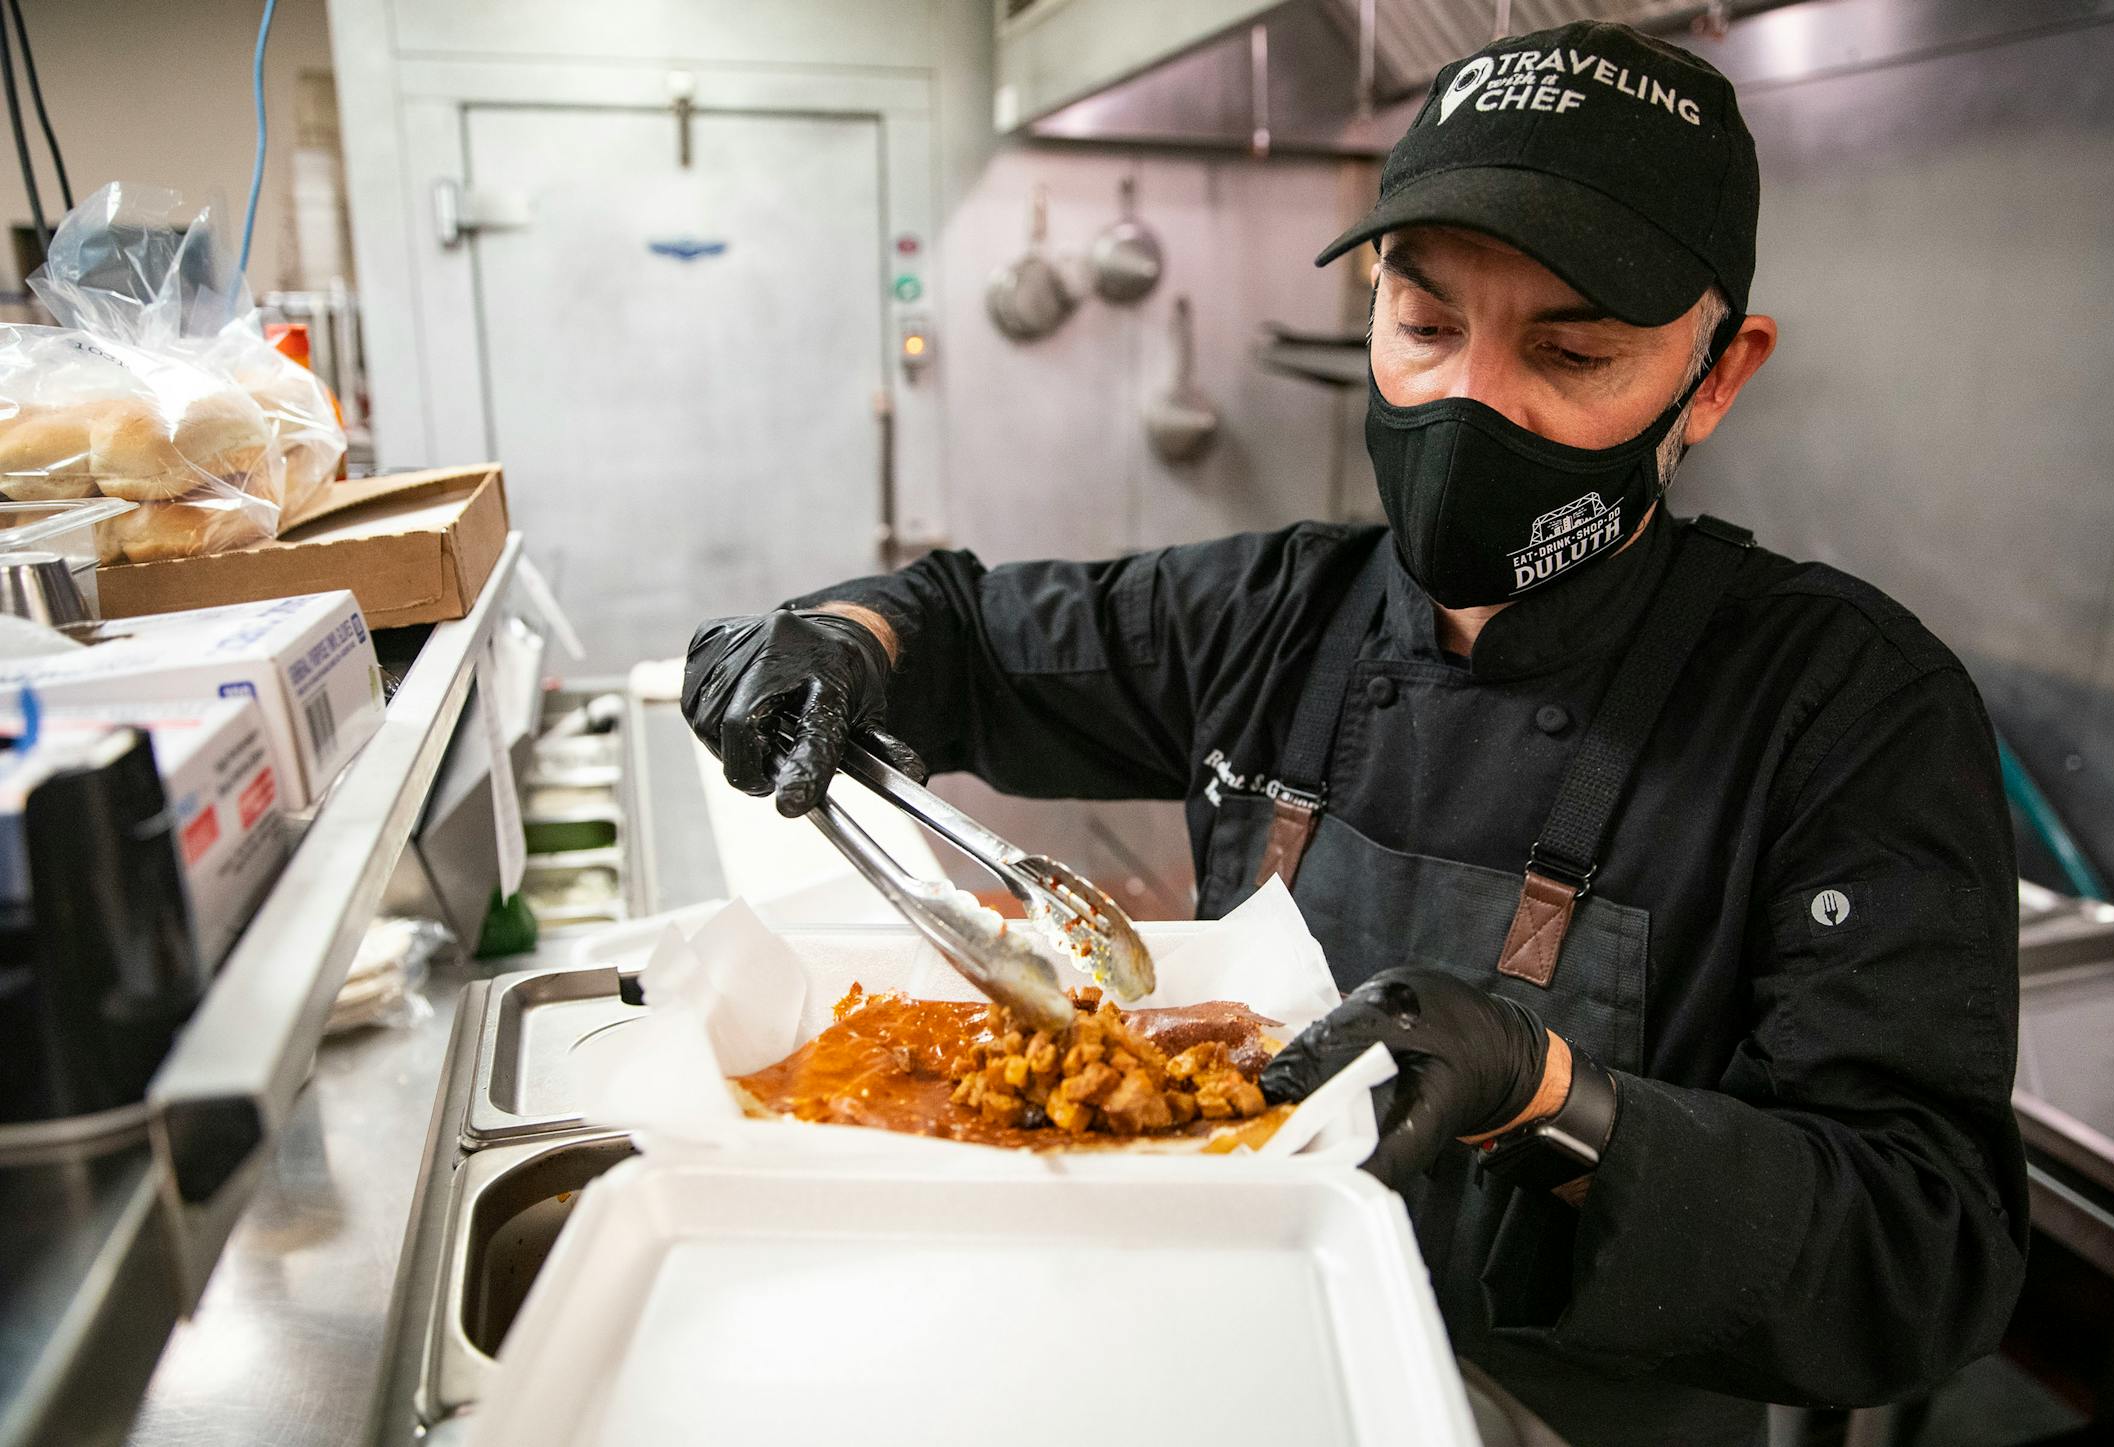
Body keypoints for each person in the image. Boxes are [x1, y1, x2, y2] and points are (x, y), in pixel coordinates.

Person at [681, 22, 2026, 1445]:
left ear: (1716, 375)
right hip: (1229, 1368)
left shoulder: (1845, 707)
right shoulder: (1272, 612)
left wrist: (1547, 1094)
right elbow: (952, 632)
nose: (1467, 404)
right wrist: (835, 640)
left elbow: (1922, 1249)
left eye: (1571, 352)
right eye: (1427, 326)